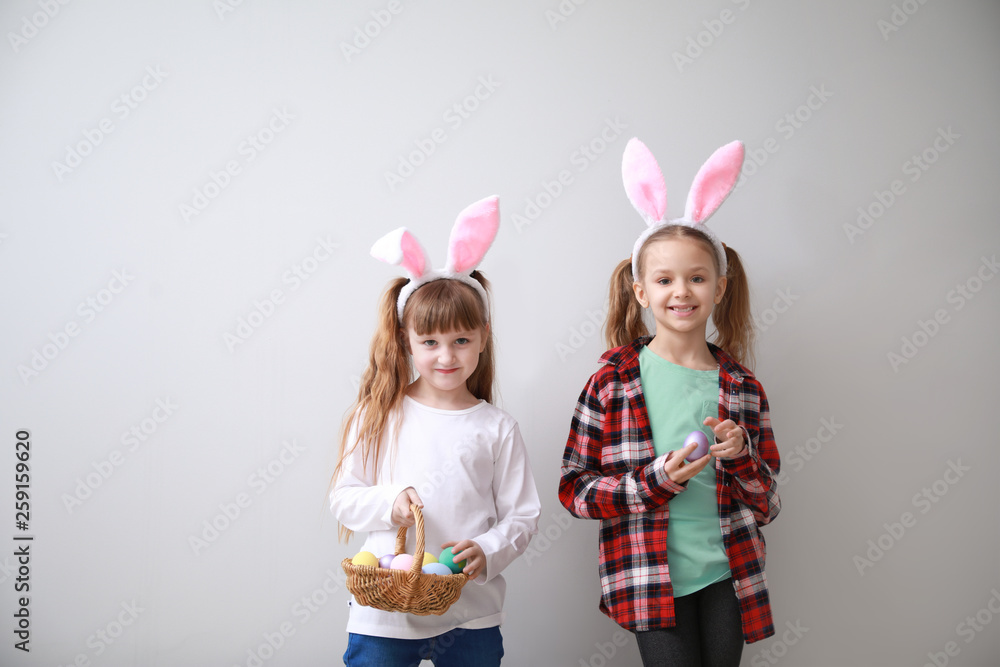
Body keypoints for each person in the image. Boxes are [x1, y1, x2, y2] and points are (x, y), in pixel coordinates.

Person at [558, 139, 781, 666]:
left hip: (730, 569)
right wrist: (659, 479)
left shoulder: (743, 387)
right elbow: (575, 490)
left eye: (697, 278)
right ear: (641, 292)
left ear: (720, 288)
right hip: (647, 574)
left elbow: (768, 504)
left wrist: (741, 455)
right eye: (664, 280)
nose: (682, 292)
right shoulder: (611, 384)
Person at [330, 196, 540, 667]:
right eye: (430, 342)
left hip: (470, 613)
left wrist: (488, 549)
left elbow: (523, 516)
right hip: (384, 612)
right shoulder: (378, 414)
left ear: (483, 338)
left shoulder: (497, 427)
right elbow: (343, 499)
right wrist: (391, 501)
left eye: (461, 341)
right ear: (407, 340)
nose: (447, 356)